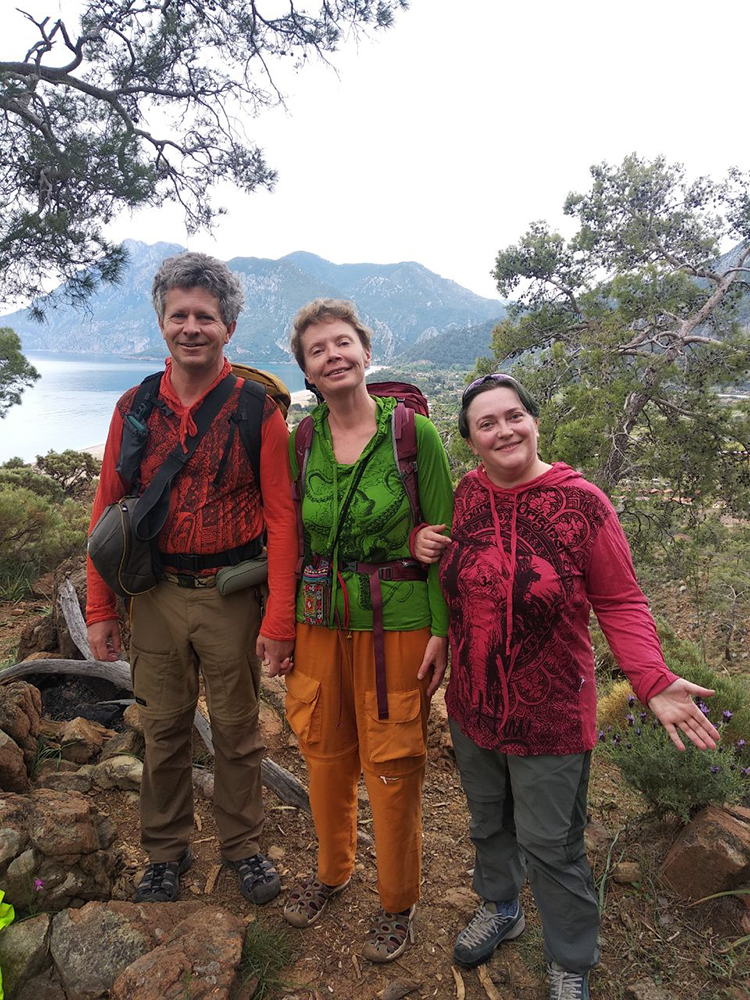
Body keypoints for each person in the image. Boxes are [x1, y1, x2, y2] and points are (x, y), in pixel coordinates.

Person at [412, 373, 720, 999]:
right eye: (487, 423)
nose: (505, 431)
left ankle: (570, 958)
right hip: (472, 702)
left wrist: (651, 679)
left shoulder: (583, 504)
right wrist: (423, 551)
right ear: (470, 440)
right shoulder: (467, 494)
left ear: (533, 420)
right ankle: (501, 907)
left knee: (551, 844)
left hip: (550, 713)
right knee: (488, 822)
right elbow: (459, 572)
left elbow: (622, 601)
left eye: (514, 416)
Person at [86, 252, 298, 907]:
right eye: (179, 315)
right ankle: (164, 852)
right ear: (162, 323)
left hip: (230, 595)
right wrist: (101, 608)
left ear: (228, 327)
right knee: (163, 728)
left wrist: (279, 619)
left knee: (236, 730)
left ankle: (243, 846)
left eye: (205, 316)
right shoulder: (136, 406)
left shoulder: (256, 409)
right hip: (154, 594)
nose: (191, 327)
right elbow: (107, 506)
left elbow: (282, 517)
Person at [282, 299, 453, 962]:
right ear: (307, 372)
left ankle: (397, 899)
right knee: (323, 752)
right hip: (320, 619)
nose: (333, 355)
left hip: (399, 622)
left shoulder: (413, 435)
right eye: (317, 350)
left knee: (393, 761)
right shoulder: (302, 442)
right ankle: (331, 870)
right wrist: (282, 625)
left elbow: (442, 535)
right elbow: (291, 538)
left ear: (364, 350)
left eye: (342, 342)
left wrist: (441, 628)